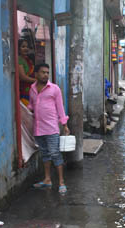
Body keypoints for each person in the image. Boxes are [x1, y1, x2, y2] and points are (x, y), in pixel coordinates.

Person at [29, 63, 70, 194]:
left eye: (47, 72)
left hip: (51, 128)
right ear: (36, 74)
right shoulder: (32, 89)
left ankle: (61, 182)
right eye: (43, 72)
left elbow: (60, 108)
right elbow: (31, 106)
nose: (46, 75)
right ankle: (47, 180)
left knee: (55, 154)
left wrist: (65, 125)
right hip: (38, 128)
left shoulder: (54, 89)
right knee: (45, 155)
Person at [17, 39, 37, 105]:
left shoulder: (28, 60)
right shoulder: (19, 59)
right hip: (24, 89)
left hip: (31, 88)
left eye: (27, 47)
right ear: (18, 48)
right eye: (23, 47)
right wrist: (36, 80)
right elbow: (22, 77)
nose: (26, 48)